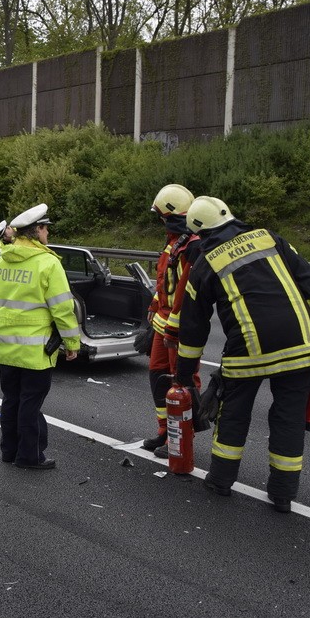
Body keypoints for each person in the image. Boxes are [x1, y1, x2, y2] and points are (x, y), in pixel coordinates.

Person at [176, 196, 310, 513]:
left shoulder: (204, 265)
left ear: (198, 232)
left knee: (233, 414)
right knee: (288, 419)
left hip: (248, 351)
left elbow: (193, 328)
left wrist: (183, 375)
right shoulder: (269, 238)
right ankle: (283, 495)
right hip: (299, 344)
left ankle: (220, 482)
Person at [0, 203, 81, 470]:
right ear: (37, 230)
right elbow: (63, 309)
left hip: (6, 348)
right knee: (30, 404)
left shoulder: (1, 261)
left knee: (11, 400)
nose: (48, 234)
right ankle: (29, 456)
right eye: (46, 229)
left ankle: (9, 451)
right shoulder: (48, 263)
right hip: (35, 352)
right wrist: (72, 343)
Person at [142, 184, 202, 457]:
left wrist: (174, 327)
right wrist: (155, 304)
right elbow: (165, 282)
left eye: (163, 216)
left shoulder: (192, 247)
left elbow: (185, 294)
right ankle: (165, 430)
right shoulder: (173, 242)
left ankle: (181, 438)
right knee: (157, 375)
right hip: (163, 323)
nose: (161, 221)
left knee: (182, 382)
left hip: (178, 328)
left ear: (174, 216)